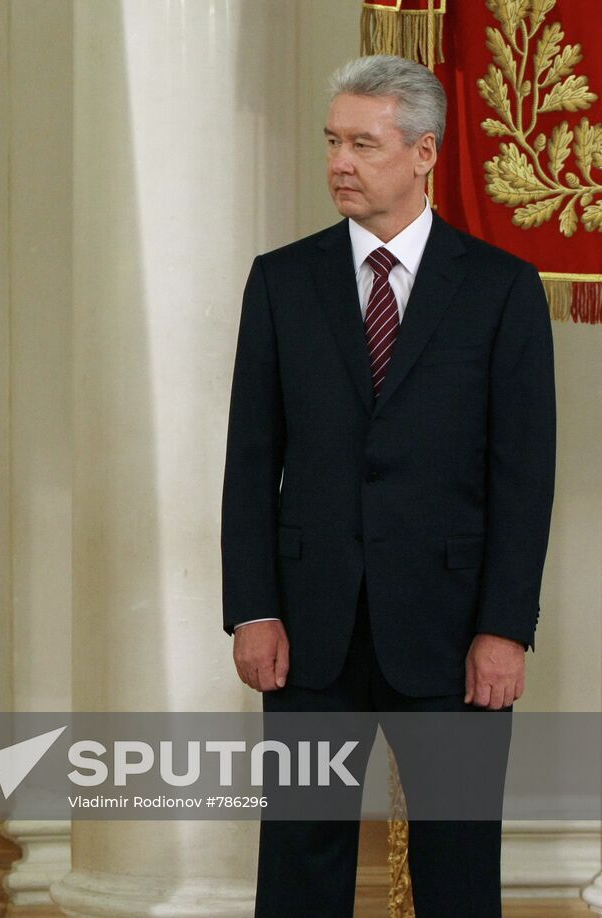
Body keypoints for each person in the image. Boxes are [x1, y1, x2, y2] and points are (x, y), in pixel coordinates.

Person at [220, 55, 555, 916]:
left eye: (363, 144)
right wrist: (252, 609)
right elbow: (251, 460)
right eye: (333, 141)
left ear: (423, 153)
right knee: (301, 859)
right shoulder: (281, 282)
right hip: (308, 630)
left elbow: (524, 477)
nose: (339, 162)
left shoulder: (501, 289)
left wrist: (505, 628)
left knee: (458, 867)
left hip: (454, 631)